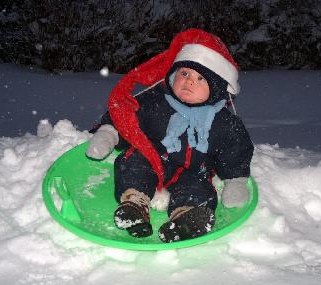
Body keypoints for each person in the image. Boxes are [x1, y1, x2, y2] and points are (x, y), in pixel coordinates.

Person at [86, 28, 254, 243]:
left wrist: (235, 181)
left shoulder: (224, 122)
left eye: (201, 78)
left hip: (193, 171)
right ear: (173, 75)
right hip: (155, 159)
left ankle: (186, 218)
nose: (189, 81)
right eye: (184, 73)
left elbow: (235, 151)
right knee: (134, 162)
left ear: (218, 88)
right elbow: (127, 116)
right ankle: (134, 205)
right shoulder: (156, 102)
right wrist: (109, 133)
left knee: (198, 188)